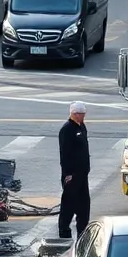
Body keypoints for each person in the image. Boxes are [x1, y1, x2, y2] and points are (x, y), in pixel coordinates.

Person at [57, 102, 90, 240]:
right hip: (72, 175)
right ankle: (64, 232)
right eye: (81, 114)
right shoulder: (67, 129)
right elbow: (64, 154)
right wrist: (67, 174)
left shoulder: (81, 127)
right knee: (69, 205)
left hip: (82, 174)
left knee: (84, 204)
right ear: (74, 114)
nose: (83, 117)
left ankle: (82, 232)